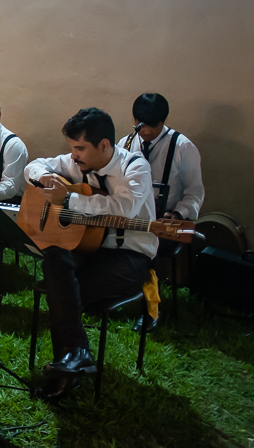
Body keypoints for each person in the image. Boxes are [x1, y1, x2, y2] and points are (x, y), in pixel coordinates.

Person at [24, 107, 157, 402]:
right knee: (55, 256)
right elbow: (33, 165)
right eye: (72, 148)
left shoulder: (135, 166)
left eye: (80, 148)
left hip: (129, 256)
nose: (73, 156)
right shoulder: (75, 162)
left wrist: (70, 199)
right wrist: (44, 177)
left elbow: (124, 208)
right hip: (88, 247)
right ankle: (76, 355)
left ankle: (68, 366)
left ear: (104, 145)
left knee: (63, 292)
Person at [119, 93, 204, 222]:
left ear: (163, 121)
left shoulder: (183, 147)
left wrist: (178, 214)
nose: (147, 132)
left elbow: (195, 192)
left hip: (166, 221)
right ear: (135, 120)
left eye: (153, 126)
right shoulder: (124, 145)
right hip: (130, 221)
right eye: (142, 126)